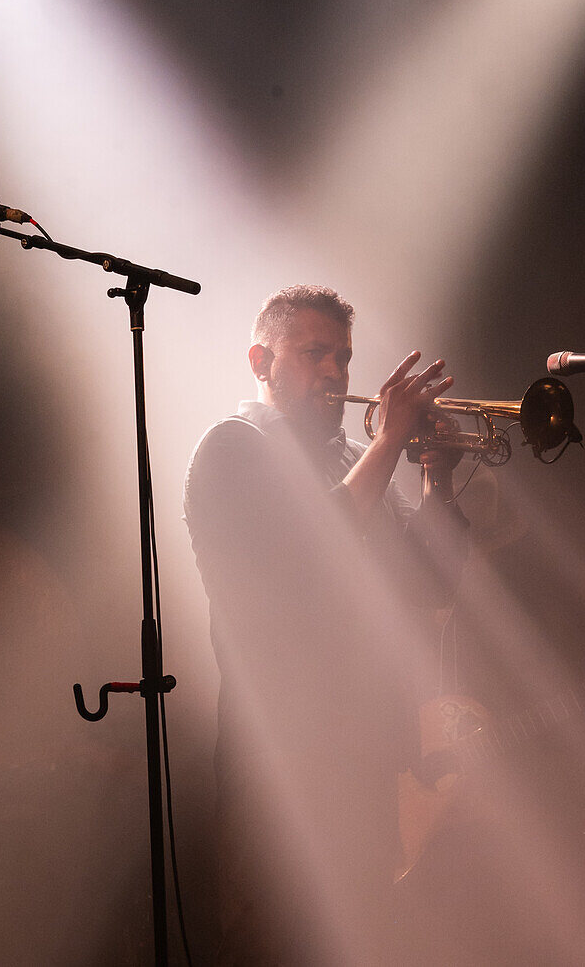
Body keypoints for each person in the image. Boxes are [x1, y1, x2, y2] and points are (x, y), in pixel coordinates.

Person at [184, 285, 469, 966]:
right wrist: (392, 440)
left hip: (363, 770)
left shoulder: (347, 461)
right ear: (261, 361)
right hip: (280, 780)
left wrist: (435, 475)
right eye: (313, 354)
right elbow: (310, 560)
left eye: (342, 358)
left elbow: (428, 584)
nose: (336, 374)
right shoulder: (235, 446)